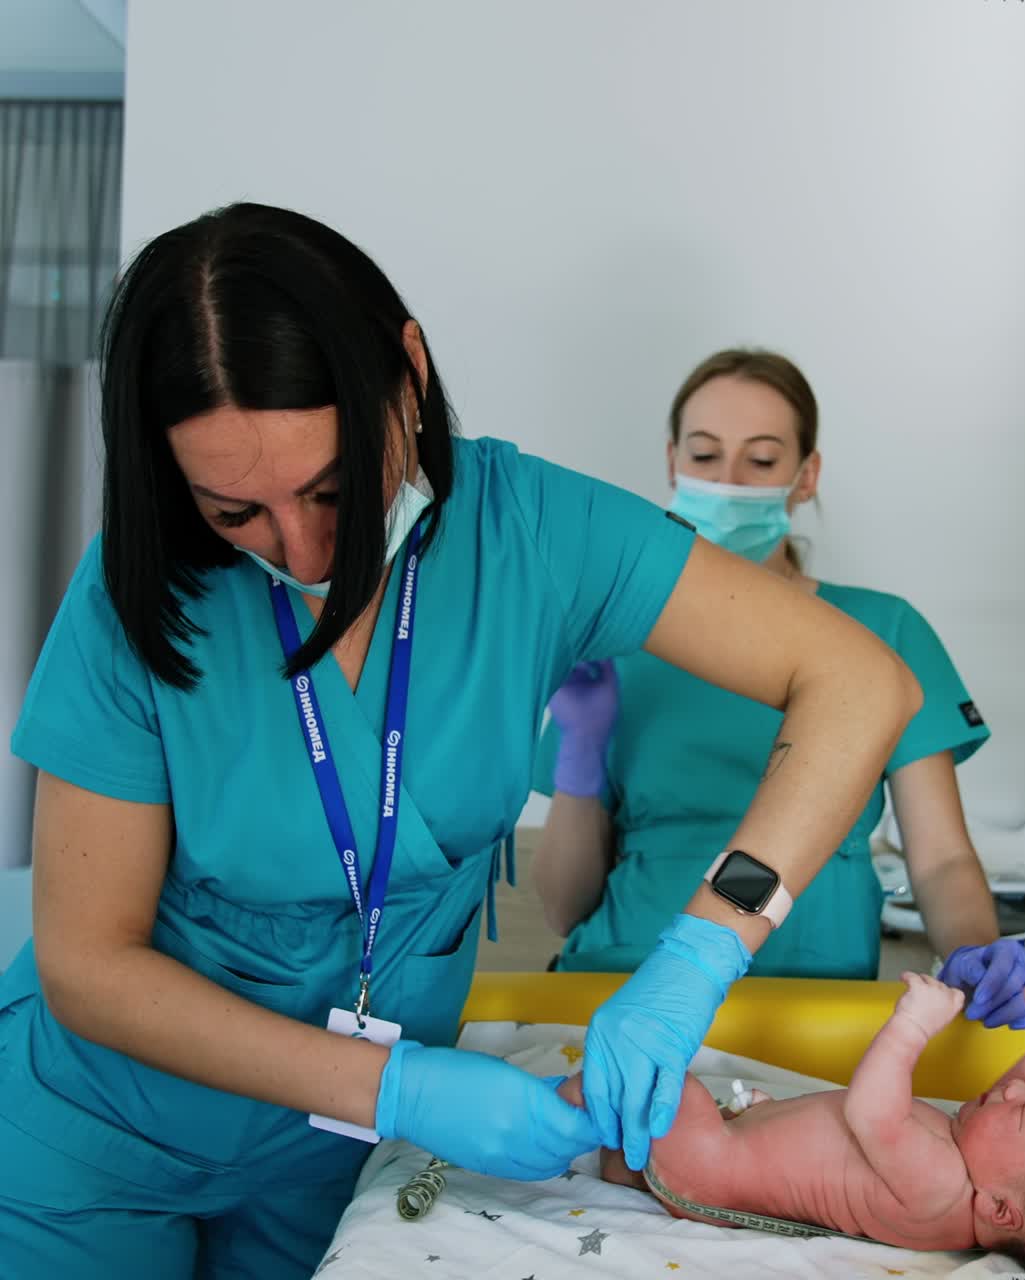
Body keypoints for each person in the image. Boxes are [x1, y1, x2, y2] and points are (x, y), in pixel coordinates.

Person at [0, 205, 923, 1277]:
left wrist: (702, 950)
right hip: (96, 1138)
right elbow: (89, 964)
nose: (304, 551)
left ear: (408, 372)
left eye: (333, 490)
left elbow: (861, 681)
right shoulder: (136, 588)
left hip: (335, 1167)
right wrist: (397, 1087)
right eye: (233, 512)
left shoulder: (532, 533)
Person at [532, 348, 1025, 1024]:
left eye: (762, 460)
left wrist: (975, 952)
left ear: (806, 476)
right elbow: (563, 909)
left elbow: (941, 859)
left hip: (814, 1007)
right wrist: (579, 751)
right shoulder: (616, 641)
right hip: (622, 994)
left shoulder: (882, 632)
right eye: (705, 455)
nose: (729, 481)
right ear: (673, 463)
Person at [560, 972, 1025, 1275]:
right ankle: (619, 1167)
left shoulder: (938, 1185)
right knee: (634, 1132)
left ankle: (548, 1111)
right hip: (714, 1153)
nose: (1014, 1090)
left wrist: (913, 1025)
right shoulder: (977, 1174)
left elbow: (870, 1111)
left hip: (709, 1161)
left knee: (651, 1068)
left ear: (1000, 1211)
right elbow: (1007, 1109)